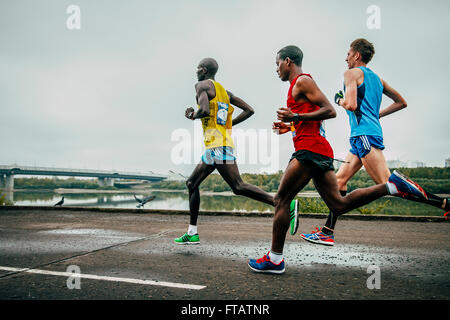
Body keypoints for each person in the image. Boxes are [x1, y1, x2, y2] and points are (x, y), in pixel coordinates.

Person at [248, 45, 432, 274]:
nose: (276, 69)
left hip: (310, 151)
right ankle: (389, 186)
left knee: (281, 199)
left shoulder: (302, 81)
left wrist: (295, 116)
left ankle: (275, 260)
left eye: (277, 64)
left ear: (288, 61)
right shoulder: (297, 86)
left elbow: (329, 110)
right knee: (338, 204)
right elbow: (315, 118)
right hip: (318, 150)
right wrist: (290, 126)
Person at [300, 38, 450, 246]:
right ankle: (327, 231)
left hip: (364, 136)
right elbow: (401, 102)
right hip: (363, 136)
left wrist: (338, 100)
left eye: (348, 53)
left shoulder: (351, 74)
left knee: (389, 184)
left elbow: (351, 105)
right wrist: (376, 116)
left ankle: (444, 203)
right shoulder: (378, 79)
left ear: (357, 55)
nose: (346, 58)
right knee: (339, 181)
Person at [174, 58, 299, 245]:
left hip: (217, 145)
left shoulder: (201, 86)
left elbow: (205, 110)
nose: (196, 71)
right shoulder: (224, 92)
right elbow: (249, 110)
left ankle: (283, 203)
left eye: (198, 68)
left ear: (205, 70)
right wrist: (228, 124)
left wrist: (193, 114)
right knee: (192, 183)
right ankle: (192, 233)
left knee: (238, 186)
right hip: (217, 145)